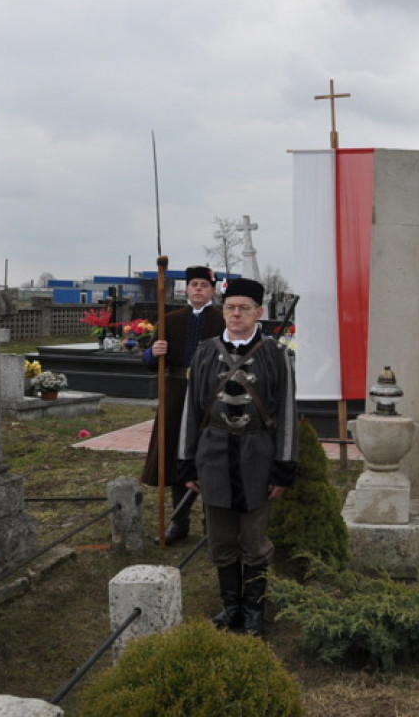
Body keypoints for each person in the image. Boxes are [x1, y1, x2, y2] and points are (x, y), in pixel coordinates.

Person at [178, 277, 297, 637]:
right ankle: (231, 608)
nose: (236, 314)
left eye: (244, 308)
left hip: (257, 458)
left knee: (254, 541)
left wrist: (283, 467)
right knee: (220, 539)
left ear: (259, 312)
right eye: (230, 307)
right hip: (213, 457)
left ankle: (254, 611)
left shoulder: (275, 354)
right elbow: (191, 410)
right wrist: (186, 461)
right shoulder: (205, 352)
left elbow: (287, 413)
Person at [140, 266, 226, 544]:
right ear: (186, 289)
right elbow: (149, 362)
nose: (198, 289)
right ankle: (179, 521)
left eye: (204, 285)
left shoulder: (223, 321)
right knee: (178, 454)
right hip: (177, 394)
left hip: (211, 395)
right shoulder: (170, 320)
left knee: (211, 455)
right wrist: (153, 353)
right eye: (194, 285)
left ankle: (212, 524)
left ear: (212, 290)